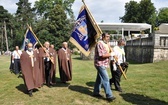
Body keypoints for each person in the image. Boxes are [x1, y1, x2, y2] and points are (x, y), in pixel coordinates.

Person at [93, 33, 116, 102]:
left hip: (104, 64)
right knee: (106, 79)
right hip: (100, 64)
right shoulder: (99, 43)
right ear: (103, 37)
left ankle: (96, 92)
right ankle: (109, 95)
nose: (108, 38)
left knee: (99, 79)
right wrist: (111, 54)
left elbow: (108, 52)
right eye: (107, 36)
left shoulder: (106, 44)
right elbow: (101, 55)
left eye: (109, 37)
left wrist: (111, 52)